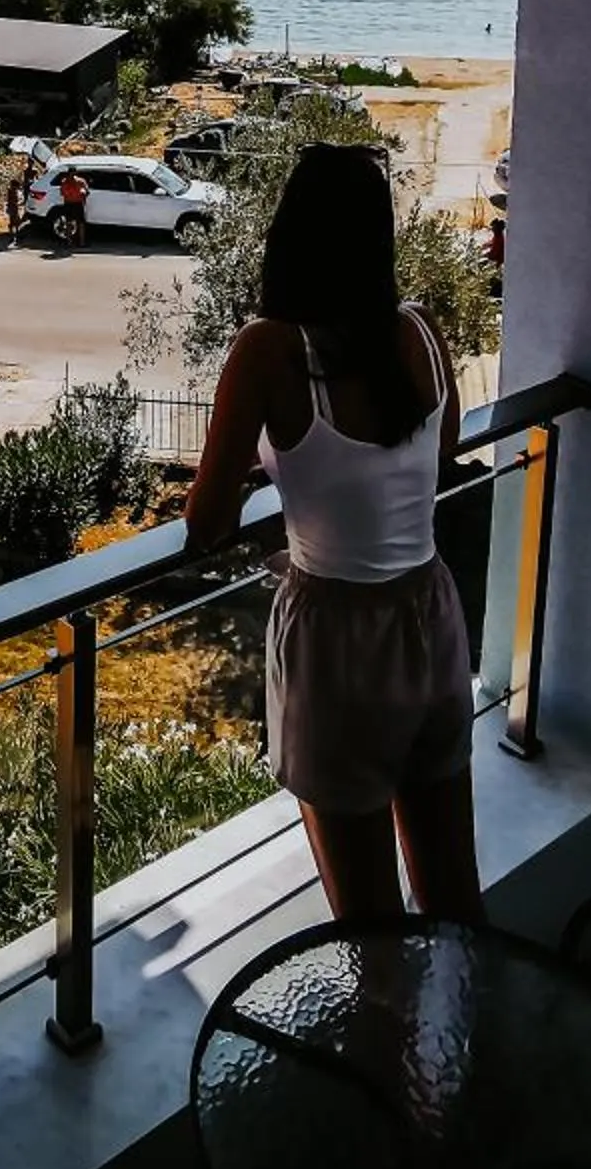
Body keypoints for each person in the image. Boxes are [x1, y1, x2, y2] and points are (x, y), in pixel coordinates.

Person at [185, 143, 480, 922]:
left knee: (371, 929)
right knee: (454, 897)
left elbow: (206, 525)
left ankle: (394, 1046)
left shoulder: (269, 351)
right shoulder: (422, 332)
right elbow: (435, 454)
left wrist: (276, 463)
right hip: (433, 619)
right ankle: (473, 1038)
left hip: (340, 644)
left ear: (290, 237)